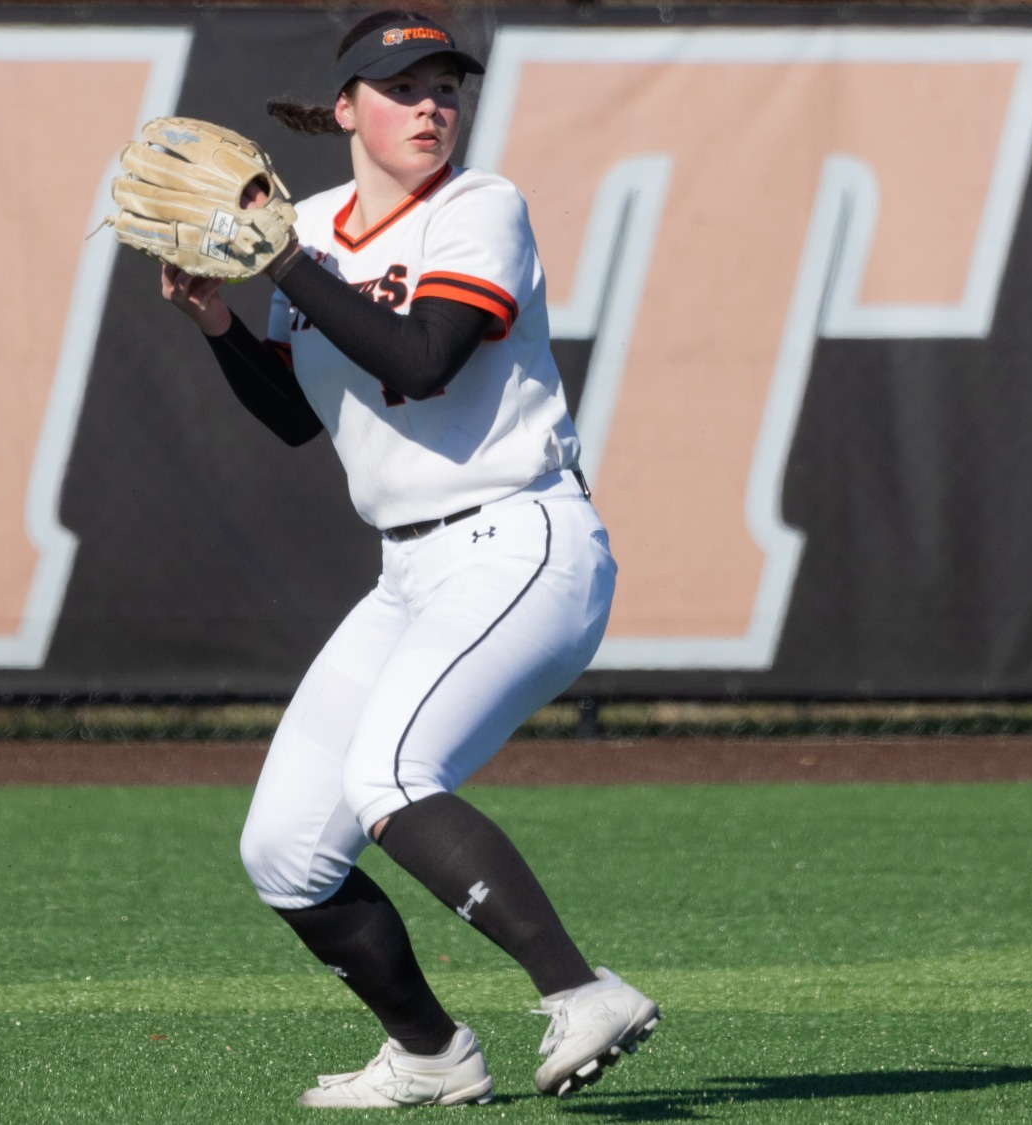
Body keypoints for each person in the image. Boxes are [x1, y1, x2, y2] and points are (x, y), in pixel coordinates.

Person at [155, 11, 658, 1108]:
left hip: (520, 540)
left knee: (388, 777)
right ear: (344, 111)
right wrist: (219, 325)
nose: (430, 105)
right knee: (284, 850)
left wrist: (282, 261)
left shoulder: (480, 208)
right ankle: (431, 1054)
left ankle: (581, 993)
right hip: (410, 571)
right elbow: (299, 416)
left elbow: (422, 360)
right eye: (400, 87)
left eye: (444, 86)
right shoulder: (317, 224)